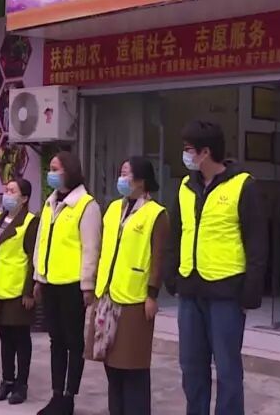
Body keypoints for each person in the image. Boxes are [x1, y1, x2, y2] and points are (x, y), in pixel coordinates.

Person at [165, 121, 269, 415]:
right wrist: (171, 277)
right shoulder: (186, 187)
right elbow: (176, 234)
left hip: (226, 292)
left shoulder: (243, 185)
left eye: (188, 149)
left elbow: (257, 242)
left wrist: (251, 292)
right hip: (190, 290)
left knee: (227, 369)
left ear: (205, 152)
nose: (185, 155)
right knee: (191, 367)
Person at [86, 157, 167, 415]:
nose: (121, 179)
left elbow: (159, 257)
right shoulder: (113, 209)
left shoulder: (156, 213)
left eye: (126, 174)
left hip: (135, 298)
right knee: (110, 363)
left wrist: (152, 294)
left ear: (141, 180)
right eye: (120, 173)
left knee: (133, 365)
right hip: (107, 294)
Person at [32, 151, 102, 415]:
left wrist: (87, 284)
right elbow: (41, 243)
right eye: (50, 169)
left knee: (73, 342)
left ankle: (69, 396)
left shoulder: (86, 205)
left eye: (55, 169)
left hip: (73, 285)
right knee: (56, 340)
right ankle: (56, 394)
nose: (51, 174)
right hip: (50, 281)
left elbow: (91, 248)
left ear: (69, 171)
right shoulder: (51, 202)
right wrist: (38, 277)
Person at [0, 178, 40, 405]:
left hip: (18, 291)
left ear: (24, 198)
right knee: (5, 338)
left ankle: (21, 384)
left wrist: (29, 291)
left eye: (12, 191)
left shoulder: (30, 222)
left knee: (21, 340)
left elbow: (33, 260)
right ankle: (7, 380)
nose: (6, 194)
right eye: (6, 190)